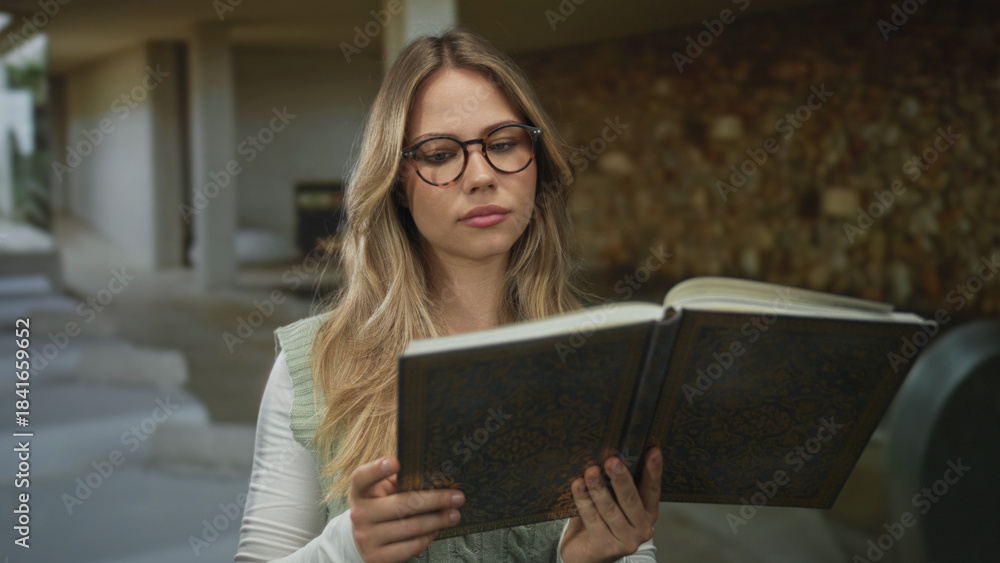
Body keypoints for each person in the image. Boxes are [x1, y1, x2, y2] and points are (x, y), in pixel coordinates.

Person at [235, 28, 662, 563]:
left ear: (538, 162)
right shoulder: (313, 364)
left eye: (503, 144)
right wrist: (349, 547)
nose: (481, 176)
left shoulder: (603, 359)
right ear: (395, 183)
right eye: (440, 154)